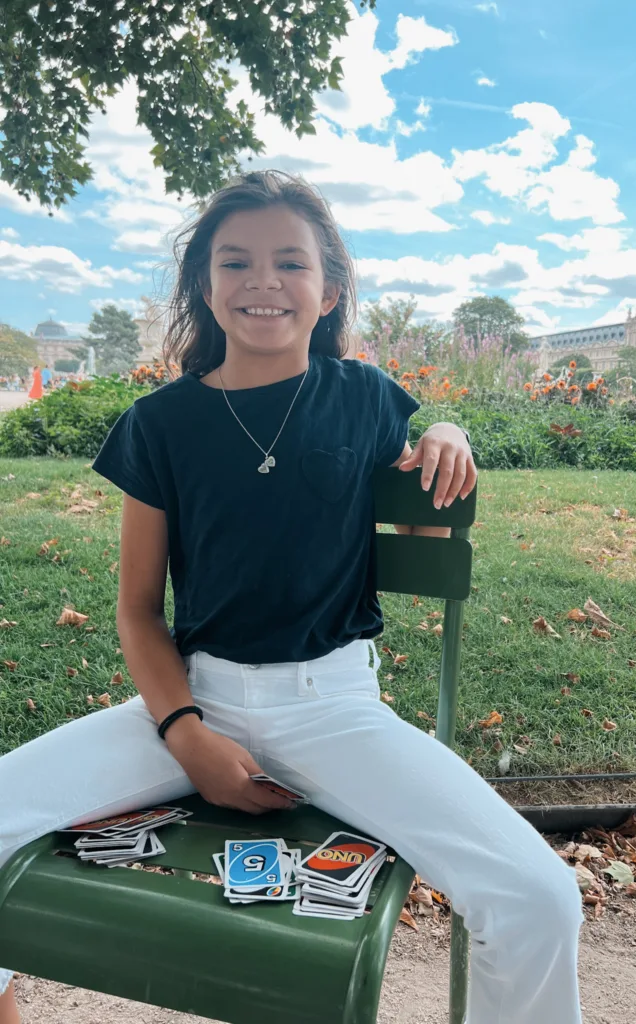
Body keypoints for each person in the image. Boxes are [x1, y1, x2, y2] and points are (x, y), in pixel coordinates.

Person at [0, 170, 583, 1024]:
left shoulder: (367, 399)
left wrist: (443, 434)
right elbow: (136, 610)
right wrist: (185, 733)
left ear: (329, 287)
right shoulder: (157, 425)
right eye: (235, 262)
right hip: (191, 707)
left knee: (538, 896)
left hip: (335, 711)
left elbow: (413, 528)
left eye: (290, 263)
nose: (262, 281)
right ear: (205, 284)